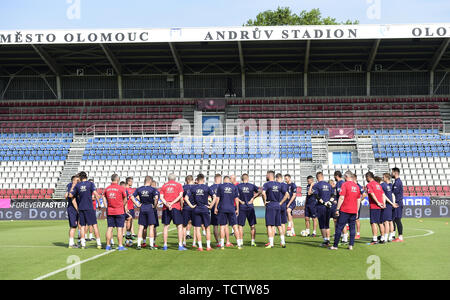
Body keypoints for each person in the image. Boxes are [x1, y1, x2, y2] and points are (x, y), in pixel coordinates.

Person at [329, 171, 361, 251]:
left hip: (345, 210)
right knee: (352, 228)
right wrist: (357, 210)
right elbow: (358, 200)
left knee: (339, 227)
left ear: (346, 177)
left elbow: (341, 197)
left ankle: (335, 245)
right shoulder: (356, 186)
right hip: (353, 210)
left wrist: (337, 209)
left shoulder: (345, 184)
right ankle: (351, 245)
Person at [69, 171, 102, 249]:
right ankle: (99, 243)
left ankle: (83, 244)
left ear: (80, 177)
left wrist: (73, 186)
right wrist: (99, 197)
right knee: (94, 225)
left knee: (82, 226)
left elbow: (70, 195)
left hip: (81, 208)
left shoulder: (77, 185)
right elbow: (96, 194)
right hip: (89, 207)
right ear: (86, 177)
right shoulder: (90, 184)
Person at [185, 174, 215, 251]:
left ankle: (200, 247)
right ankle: (208, 246)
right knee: (207, 228)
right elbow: (214, 197)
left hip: (196, 209)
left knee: (197, 228)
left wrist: (191, 206)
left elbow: (186, 198)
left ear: (197, 180)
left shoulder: (193, 188)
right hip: (205, 209)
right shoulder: (207, 188)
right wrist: (211, 205)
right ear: (203, 179)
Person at [262, 171, 289, 249]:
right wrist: (280, 202)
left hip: (270, 205)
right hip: (277, 205)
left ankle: (271, 243)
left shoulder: (266, 184)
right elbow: (287, 194)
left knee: (269, 225)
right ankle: (283, 242)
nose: (266, 176)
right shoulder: (279, 184)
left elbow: (263, 193)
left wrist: (265, 201)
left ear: (269, 175)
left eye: (267, 174)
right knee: (279, 225)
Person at [214, 176, 241, 250]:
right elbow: (236, 199)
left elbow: (217, 198)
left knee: (222, 227)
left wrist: (216, 207)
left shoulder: (220, 186)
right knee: (235, 226)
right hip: (231, 208)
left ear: (224, 180)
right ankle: (239, 244)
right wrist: (237, 209)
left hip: (222, 208)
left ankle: (222, 245)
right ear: (229, 180)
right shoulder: (234, 187)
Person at [132, 176, 159, 250]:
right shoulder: (152, 189)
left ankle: (138, 245)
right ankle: (151, 245)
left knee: (141, 227)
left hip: (142, 207)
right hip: (150, 207)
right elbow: (156, 198)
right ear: (150, 181)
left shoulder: (139, 189)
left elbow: (131, 196)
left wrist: (137, 204)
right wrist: (155, 205)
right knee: (151, 227)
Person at [160, 174, 185, 251]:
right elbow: (180, 195)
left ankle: (165, 245)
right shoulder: (178, 185)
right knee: (179, 226)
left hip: (166, 207)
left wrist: (167, 203)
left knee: (166, 226)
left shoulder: (164, 186)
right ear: (175, 178)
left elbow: (161, 197)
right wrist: (172, 203)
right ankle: (180, 245)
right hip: (175, 207)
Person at [103, 174, 128, 251]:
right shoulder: (121, 188)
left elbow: (103, 196)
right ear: (117, 179)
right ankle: (120, 246)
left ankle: (107, 245)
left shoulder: (107, 189)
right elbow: (125, 198)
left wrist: (106, 205)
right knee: (119, 228)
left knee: (109, 228)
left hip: (110, 211)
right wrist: (122, 205)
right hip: (119, 211)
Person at [236, 174, 260, 247]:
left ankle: (241, 242)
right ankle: (252, 242)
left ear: (241, 179)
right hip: (250, 207)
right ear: (248, 178)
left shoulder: (238, 186)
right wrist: (253, 198)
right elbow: (260, 191)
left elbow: (235, 196)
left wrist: (240, 201)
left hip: (242, 207)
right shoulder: (252, 186)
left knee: (240, 225)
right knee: (252, 225)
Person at [365, 171, 387, 245]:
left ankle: (374, 239)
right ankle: (383, 238)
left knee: (373, 222)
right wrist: (383, 203)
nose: (366, 179)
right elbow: (383, 194)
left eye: (366, 178)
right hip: (381, 206)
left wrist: (377, 203)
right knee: (380, 222)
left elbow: (372, 194)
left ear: (368, 177)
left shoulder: (369, 185)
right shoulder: (378, 185)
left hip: (374, 206)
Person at [312, 172, 333, 247]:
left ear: (317, 178)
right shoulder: (329, 185)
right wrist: (329, 202)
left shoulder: (316, 185)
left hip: (321, 207)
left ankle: (325, 241)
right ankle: (328, 239)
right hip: (328, 206)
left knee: (322, 224)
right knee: (327, 224)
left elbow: (316, 196)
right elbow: (333, 195)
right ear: (323, 177)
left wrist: (324, 203)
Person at [209, 174, 230, 248]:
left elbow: (207, 198)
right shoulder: (223, 187)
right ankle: (227, 241)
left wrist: (210, 205)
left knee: (215, 226)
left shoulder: (211, 187)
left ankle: (218, 242)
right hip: (222, 208)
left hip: (214, 208)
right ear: (219, 179)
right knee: (225, 225)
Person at [381, 173, 399, 242]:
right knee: (391, 221)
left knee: (386, 222)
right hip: (391, 205)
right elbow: (393, 195)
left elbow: (384, 196)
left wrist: (390, 203)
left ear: (386, 177)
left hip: (387, 205)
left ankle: (385, 237)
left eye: (383, 177)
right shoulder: (391, 185)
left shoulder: (383, 185)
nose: (383, 178)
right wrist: (393, 203)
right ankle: (390, 237)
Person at [333, 171, 348, 244]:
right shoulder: (338, 184)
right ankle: (342, 235)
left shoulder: (341, 183)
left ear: (336, 176)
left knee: (342, 221)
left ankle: (345, 237)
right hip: (340, 204)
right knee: (338, 220)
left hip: (342, 205)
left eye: (334, 176)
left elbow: (341, 195)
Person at [66, 175, 80, 248]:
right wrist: (78, 210)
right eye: (77, 180)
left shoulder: (71, 187)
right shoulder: (72, 187)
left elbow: (66, 196)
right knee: (73, 226)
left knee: (76, 225)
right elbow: (73, 200)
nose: (79, 181)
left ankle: (77, 241)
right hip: (72, 209)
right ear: (73, 181)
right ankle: (71, 243)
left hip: (73, 208)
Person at [391, 168, 404, 242]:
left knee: (397, 220)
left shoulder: (398, 182)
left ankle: (400, 237)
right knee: (393, 219)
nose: (391, 173)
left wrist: (395, 202)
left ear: (395, 173)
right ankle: (393, 235)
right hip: (395, 203)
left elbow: (395, 194)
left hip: (397, 203)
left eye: (392, 172)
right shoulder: (396, 182)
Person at [182, 175, 196, 247]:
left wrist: (181, 206)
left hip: (186, 207)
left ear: (186, 180)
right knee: (195, 226)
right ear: (192, 180)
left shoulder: (183, 187)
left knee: (184, 226)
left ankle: (184, 242)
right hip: (194, 207)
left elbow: (181, 198)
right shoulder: (195, 187)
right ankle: (194, 243)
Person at [275, 173, 289, 238]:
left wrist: (280, 202)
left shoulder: (276, 185)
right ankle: (283, 238)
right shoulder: (285, 185)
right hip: (283, 205)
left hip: (277, 205)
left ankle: (273, 237)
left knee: (275, 222)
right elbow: (287, 195)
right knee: (283, 222)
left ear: (277, 178)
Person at [353, 174, 366, 239]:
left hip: (356, 204)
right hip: (351, 204)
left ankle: (358, 234)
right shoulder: (353, 185)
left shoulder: (358, 186)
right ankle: (353, 233)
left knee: (356, 219)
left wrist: (359, 200)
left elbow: (364, 194)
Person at [124, 177, 136, 241]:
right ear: (128, 182)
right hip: (127, 207)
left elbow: (134, 197)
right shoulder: (125, 189)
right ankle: (125, 234)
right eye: (131, 181)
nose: (132, 183)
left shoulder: (132, 189)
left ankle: (132, 233)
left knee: (131, 221)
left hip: (131, 207)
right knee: (126, 221)